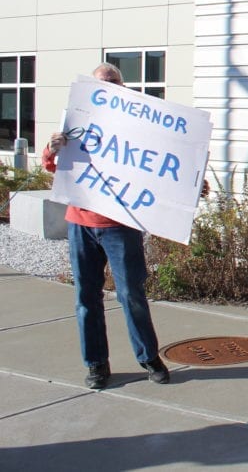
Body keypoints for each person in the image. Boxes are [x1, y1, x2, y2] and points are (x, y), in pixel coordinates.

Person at [41, 63, 171, 389]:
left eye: (114, 81)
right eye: (103, 81)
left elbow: (156, 165)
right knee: (87, 298)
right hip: (81, 223)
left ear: (122, 87)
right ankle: (96, 364)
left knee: (132, 294)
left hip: (121, 224)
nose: (109, 85)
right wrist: (51, 149)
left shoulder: (137, 126)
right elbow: (52, 166)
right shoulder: (76, 120)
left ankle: (148, 357)